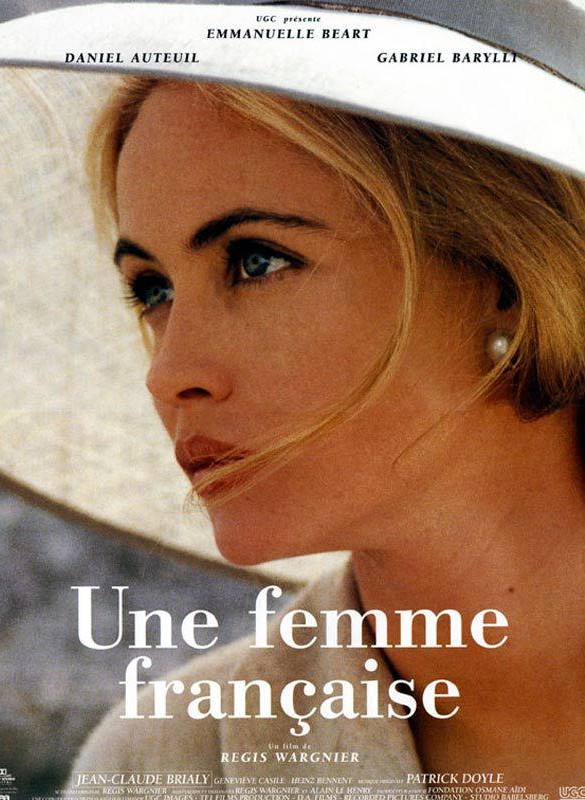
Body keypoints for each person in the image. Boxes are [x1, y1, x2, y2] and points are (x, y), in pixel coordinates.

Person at [70, 75, 585, 789]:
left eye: (256, 260)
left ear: (507, 279)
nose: (168, 373)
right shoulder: (163, 766)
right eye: (153, 289)